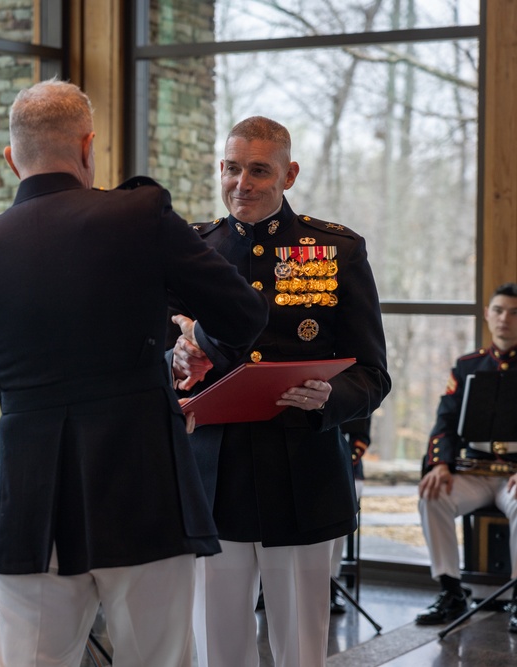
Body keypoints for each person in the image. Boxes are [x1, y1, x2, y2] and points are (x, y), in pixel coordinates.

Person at [0, 78, 269, 667]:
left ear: (11, 157)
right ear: (89, 147)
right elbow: (243, 313)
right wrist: (189, 342)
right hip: (139, 479)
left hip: (30, 495)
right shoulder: (138, 214)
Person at [172, 116, 391, 667]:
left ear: (289, 174)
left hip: (301, 469)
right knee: (218, 646)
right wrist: (173, 357)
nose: (240, 183)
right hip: (213, 473)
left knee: (301, 647)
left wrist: (330, 398)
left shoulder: (335, 251)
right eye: (231, 168)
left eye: (259, 171)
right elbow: (153, 352)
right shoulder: (191, 250)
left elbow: (372, 373)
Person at [415, 282, 517, 632]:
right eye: (499, 310)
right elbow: (444, 422)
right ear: (488, 315)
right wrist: (440, 464)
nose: (505, 319)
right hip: (474, 470)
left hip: (514, 478)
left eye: (514, 313)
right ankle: (451, 591)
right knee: (433, 494)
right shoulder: (467, 366)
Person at [330, 418, 371, 614]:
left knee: (337, 505)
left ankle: (330, 581)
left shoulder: (349, 387)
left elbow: (361, 437)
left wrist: (341, 459)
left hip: (346, 468)